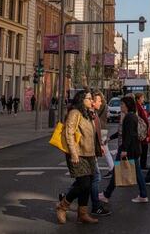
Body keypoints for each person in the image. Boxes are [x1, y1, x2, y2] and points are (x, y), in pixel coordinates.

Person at [55, 90, 101, 224]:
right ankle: (62, 206)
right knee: (83, 184)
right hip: (78, 154)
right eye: (88, 98)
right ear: (81, 100)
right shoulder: (75, 113)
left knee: (87, 186)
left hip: (89, 154)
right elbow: (69, 133)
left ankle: (82, 214)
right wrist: (73, 153)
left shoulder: (87, 113)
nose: (91, 101)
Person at [100, 96, 148, 204]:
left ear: (127, 106)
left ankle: (107, 194)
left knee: (117, 171)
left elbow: (130, 135)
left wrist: (124, 149)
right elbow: (124, 133)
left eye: (122, 104)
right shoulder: (130, 116)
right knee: (136, 172)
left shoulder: (129, 117)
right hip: (133, 149)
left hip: (128, 149)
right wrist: (110, 138)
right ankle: (143, 195)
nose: (120, 106)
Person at [88, 91, 111, 217]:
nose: (101, 103)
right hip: (88, 152)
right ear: (92, 101)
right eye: (99, 101)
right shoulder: (89, 114)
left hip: (92, 150)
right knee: (94, 177)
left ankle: (67, 198)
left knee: (87, 179)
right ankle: (95, 206)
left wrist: (100, 146)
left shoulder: (94, 113)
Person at [134, 93, 150, 169]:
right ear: (138, 98)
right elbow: (143, 118)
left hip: (143, 129)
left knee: (144, 147)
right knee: (144, 147)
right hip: (142, 130)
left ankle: (142, 164)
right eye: (142, 97)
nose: (143, 99)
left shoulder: (139, 106)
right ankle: (142, 164)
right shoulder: (138, 106)